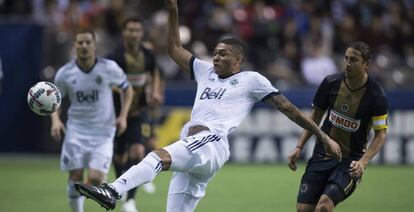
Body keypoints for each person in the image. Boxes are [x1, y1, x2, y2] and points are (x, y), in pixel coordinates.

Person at [74, 1, 342, 211]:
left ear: (238, 59)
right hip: (194, 145)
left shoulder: (251, 80)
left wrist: (322, 137)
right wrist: (173, 10)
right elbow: (173, 48)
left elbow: (290, 109)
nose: (215, 55)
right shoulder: (205, 71)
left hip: (211, 142)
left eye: (222, 52)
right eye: (214, 51)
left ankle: (113, 190)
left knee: (157, 156)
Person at [287, 41, 388, 212]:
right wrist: (299, 146)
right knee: (304, 209)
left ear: (366, 64)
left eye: (354, 60)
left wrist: (363, 162)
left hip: (349, 162)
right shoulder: (330, 83)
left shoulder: (376, 96)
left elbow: (380, 134)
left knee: (324, 206)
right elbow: (315, 118)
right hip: (322, 155)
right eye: (346, 58)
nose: (348, 64)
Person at [50, 29, 133, 212]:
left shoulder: (109, 68)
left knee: (96, 178)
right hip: (76, 131)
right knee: (76, 176)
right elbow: (54, 99)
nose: (84, 46)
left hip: (103, 132)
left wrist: (123, 116)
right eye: (80, 43)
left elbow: (127, 89)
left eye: (88, 42)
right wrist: (55, 120)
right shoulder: (65, 73)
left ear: (95, 45)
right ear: (75, 46)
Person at [107, 17, 163, 212]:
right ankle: (121, 181)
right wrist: (122, 90)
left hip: (140, 111)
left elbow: (155, 72)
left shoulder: (148, 55)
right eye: (130, 30)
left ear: (141, 33)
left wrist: (155, 91)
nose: (133, 34)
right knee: (120, 155)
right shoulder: (115, 56)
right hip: (117, 112)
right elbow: (106, 81)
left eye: (137, 30)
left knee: (139, 151)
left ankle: (130, 200)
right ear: (124, 33)